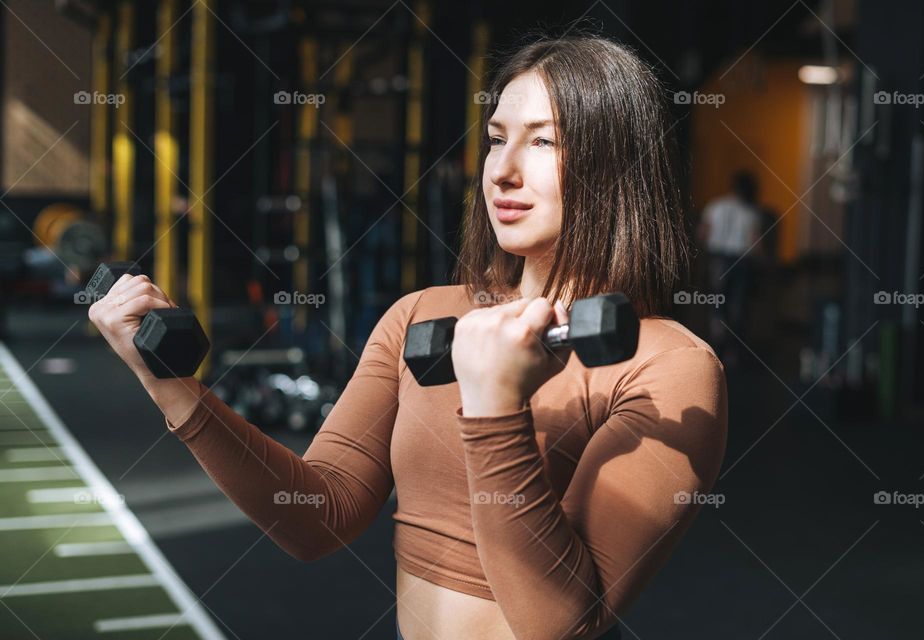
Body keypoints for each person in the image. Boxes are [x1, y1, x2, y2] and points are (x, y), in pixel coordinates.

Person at [89, 34, 727, 640]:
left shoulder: (669, 367)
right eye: (496, 138)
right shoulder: (420, 314)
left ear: (618, 168)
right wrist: (174, 388)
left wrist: (495, 407)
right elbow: (318, 515)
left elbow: (559, 624)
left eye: (544, 143)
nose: (501, 171)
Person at [697, 170, 763, 368]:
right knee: (737, 305)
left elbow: (703, 233)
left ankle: (715, 348)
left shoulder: (715, 206)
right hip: (741, 261)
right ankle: (733, 352)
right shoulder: (751, 212)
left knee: (717, 303)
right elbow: (755, 243)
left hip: (717, 258)